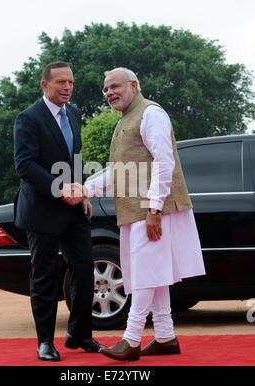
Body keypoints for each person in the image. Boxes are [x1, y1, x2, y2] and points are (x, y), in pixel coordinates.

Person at [65, 67, 206, 362]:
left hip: (151, 212)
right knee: (152, 274)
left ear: (134, 85)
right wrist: (86, 189)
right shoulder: (124, 120)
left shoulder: (151, 113)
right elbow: (118, 173)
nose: (109, 93)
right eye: (105, 89)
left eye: (114, 86)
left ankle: (131, 340)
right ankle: (165, 336)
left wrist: (154, 209)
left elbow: (164, 162)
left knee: (144, 274)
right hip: (135, 213)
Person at [13, 61, 102, 361]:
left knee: (84, 271)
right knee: (45, 277)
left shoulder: (74, 113)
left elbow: (74, 156)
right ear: (45, 85)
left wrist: (82, 190)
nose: (67, 88)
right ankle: (45, 342)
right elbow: (25, 165)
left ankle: (79, 335)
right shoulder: (28, 118)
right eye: (61, 82)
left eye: (71, 83)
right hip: (42, 211)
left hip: (75, 209)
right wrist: (59, 188)